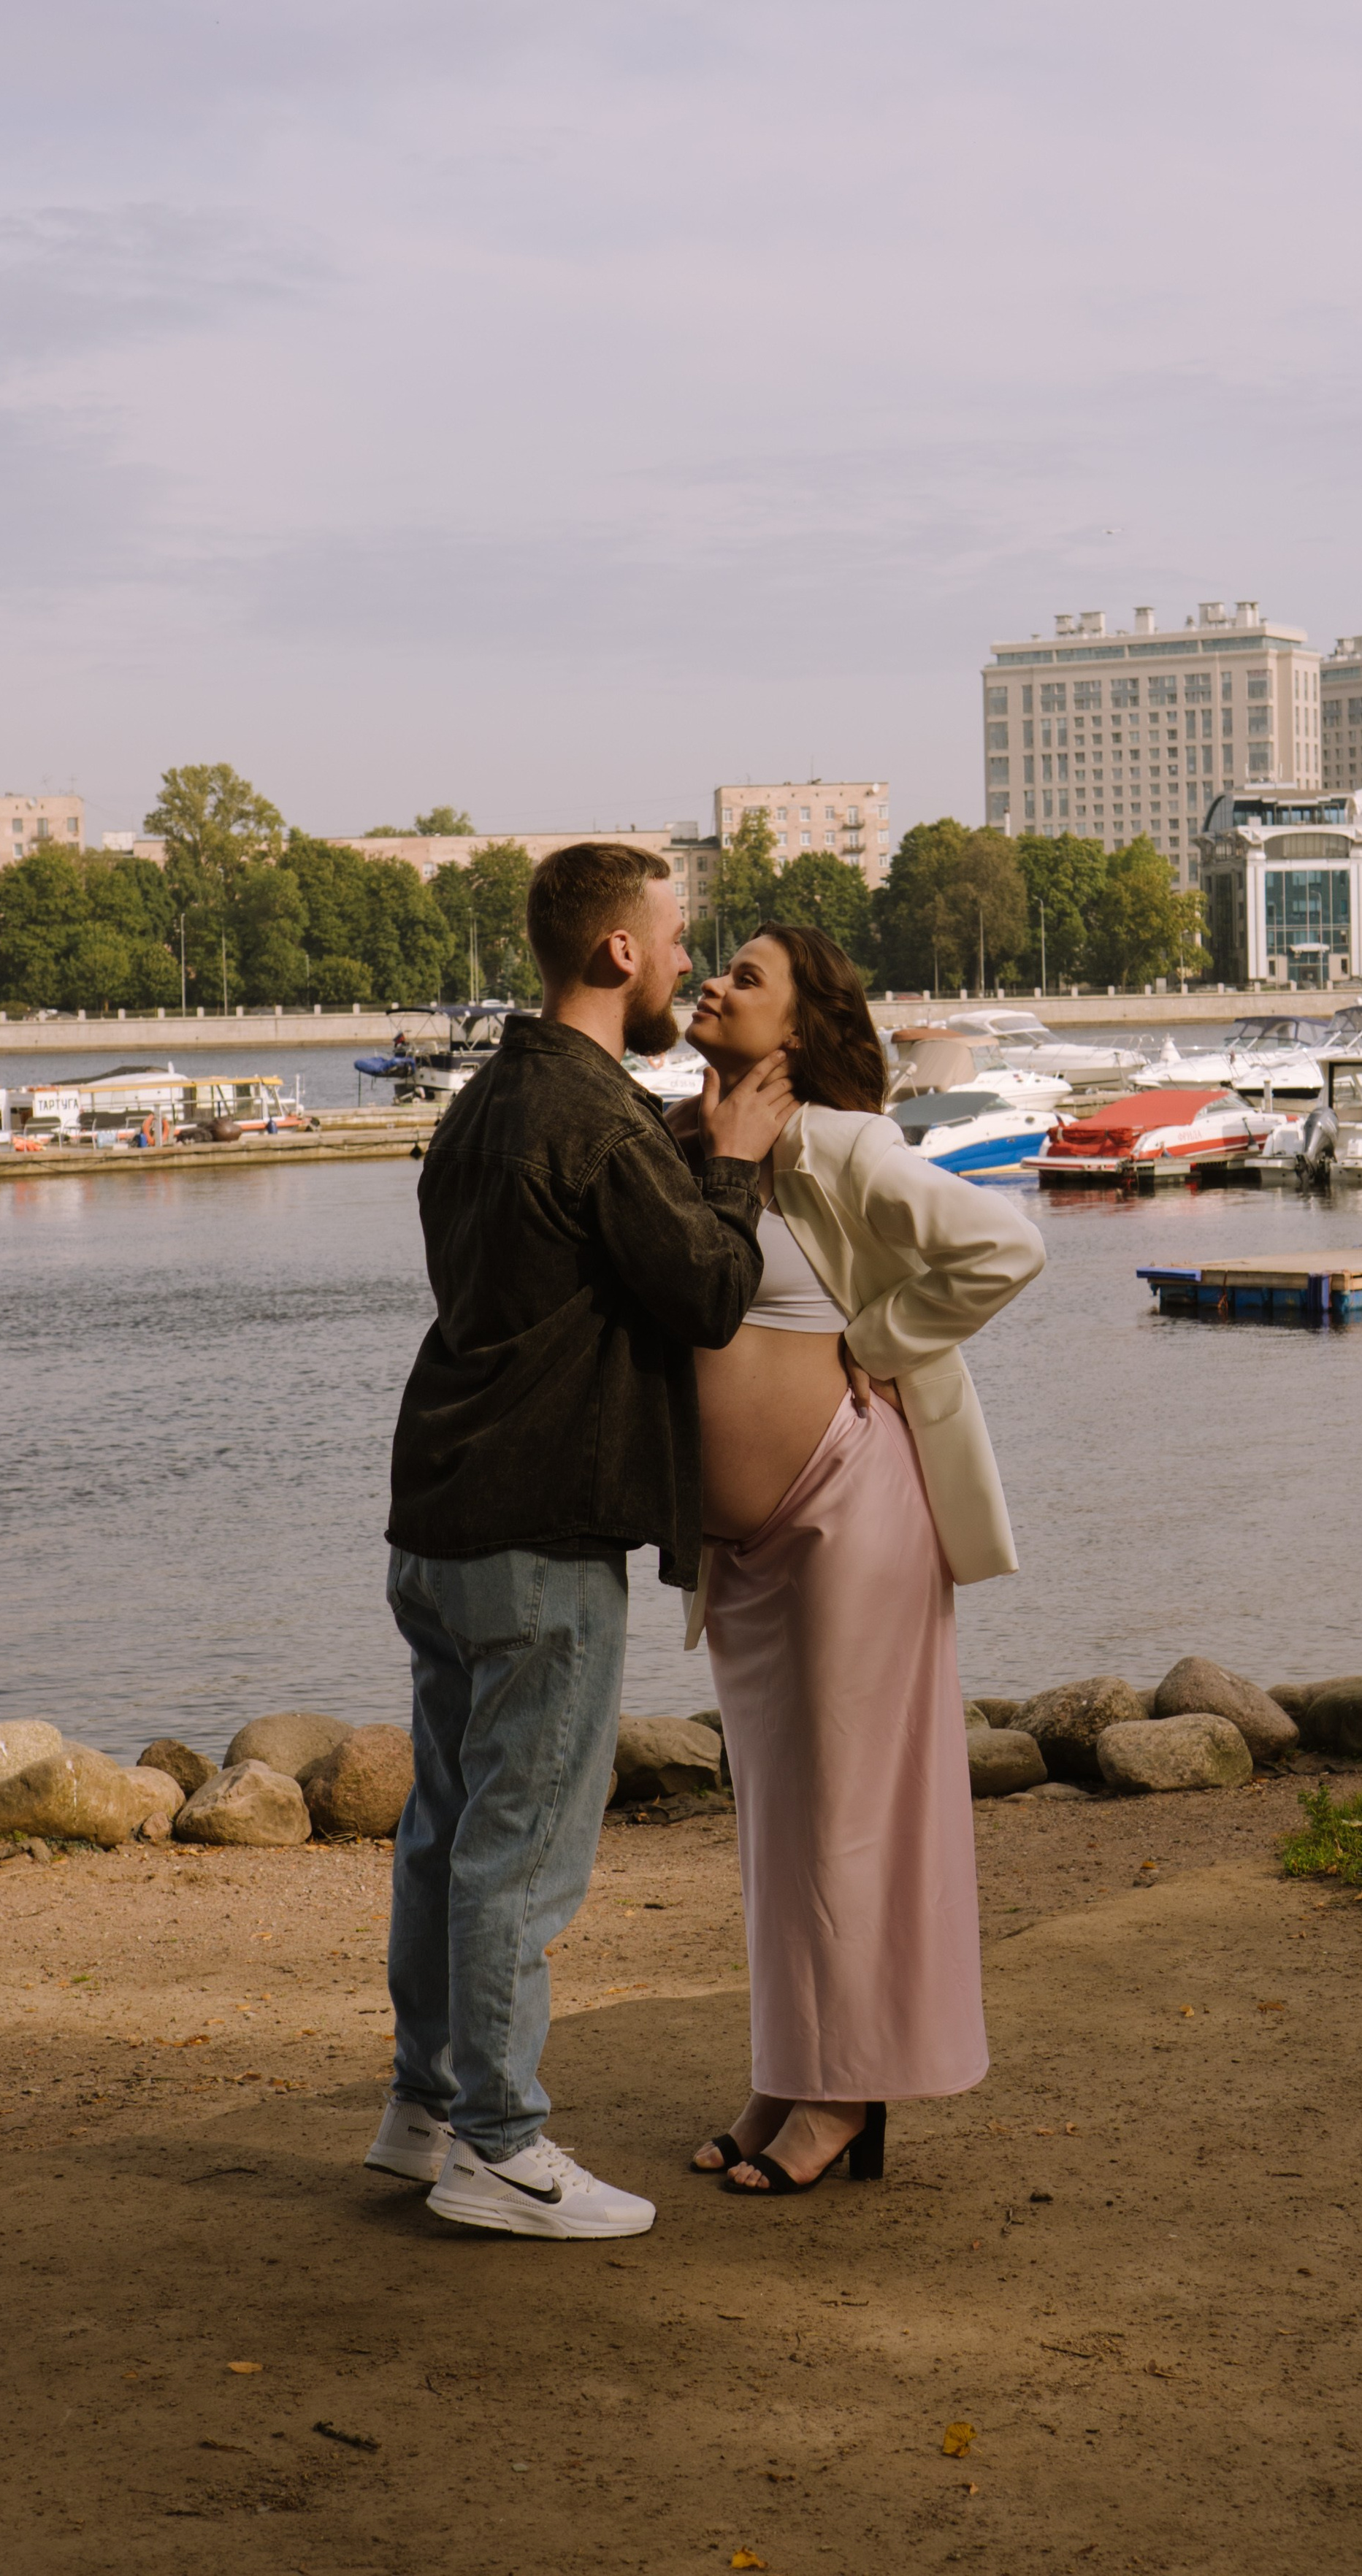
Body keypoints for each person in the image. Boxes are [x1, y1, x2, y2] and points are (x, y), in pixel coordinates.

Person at [368, 843, 797, 2240]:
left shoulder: (491, 1099)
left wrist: (679, 1153)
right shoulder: (601, 1121)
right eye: (677, 936)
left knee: (444, 1829)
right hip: (540, 1527)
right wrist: (730, 1160)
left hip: (438, 1514)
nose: (688, 959)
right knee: (522, 1850)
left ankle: (424, 2108)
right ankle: (499, 2147)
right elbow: (712, 1292)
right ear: (618, 952)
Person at [676, 924, 1044, 2195]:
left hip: (853, 1509)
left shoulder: (839, 1142)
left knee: (849, 1818)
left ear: (801, 1027)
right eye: (715, 966)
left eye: (748, 977)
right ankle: (790, 2070)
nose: (714, 983)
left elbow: (1007, 1245)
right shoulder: (705, 1146)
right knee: (779, 1817)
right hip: (752, 1550)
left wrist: (881, 1339)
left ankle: (845, 2096)